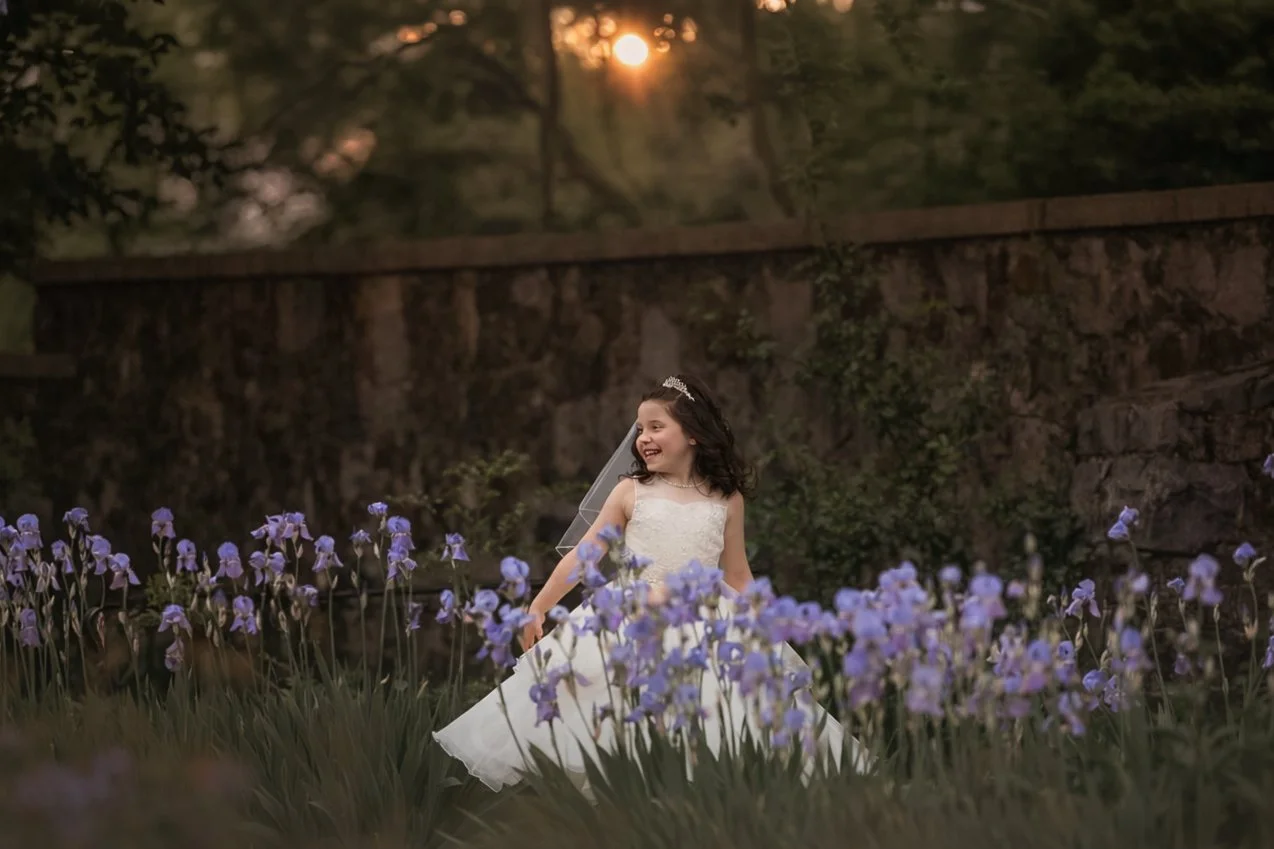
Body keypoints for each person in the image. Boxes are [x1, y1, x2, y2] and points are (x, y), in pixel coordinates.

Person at [432, 374, 868, 793]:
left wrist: (766, 625)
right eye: (640, 428)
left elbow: (736, 572)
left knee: (710, 728)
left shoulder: (725, 499)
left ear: (693, 434)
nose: (643, 438)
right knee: (618, 722)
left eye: (657, 427)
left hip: (706, 622)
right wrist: (539, 605)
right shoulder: (631, 492)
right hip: (632, 619)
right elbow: (585, 556)